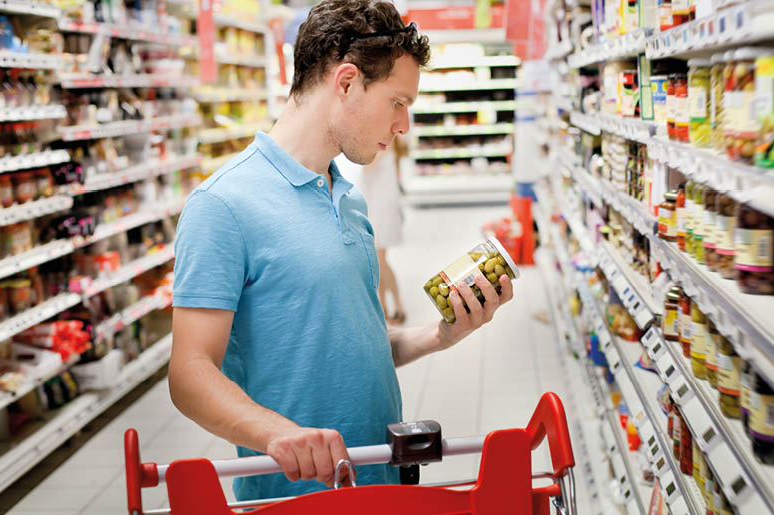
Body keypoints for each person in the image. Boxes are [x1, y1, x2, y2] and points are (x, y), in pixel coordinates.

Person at [167, 0, 514, 504]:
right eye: (399, 102)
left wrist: (440, 335)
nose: (404, 126)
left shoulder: (348, 197)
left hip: (380, 480)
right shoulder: (223, 204)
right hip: (296, 497)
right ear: (347, 82)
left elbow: (352, 344)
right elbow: (189, 372)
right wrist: (275, 433)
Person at [358, 135, 407, 324]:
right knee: (379, 260)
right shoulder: (386, 141)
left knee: (379, 261)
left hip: (382, 207)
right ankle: (387, 307)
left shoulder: (384, 140)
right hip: (377, 204)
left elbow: (368, 165)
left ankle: (393, 306)